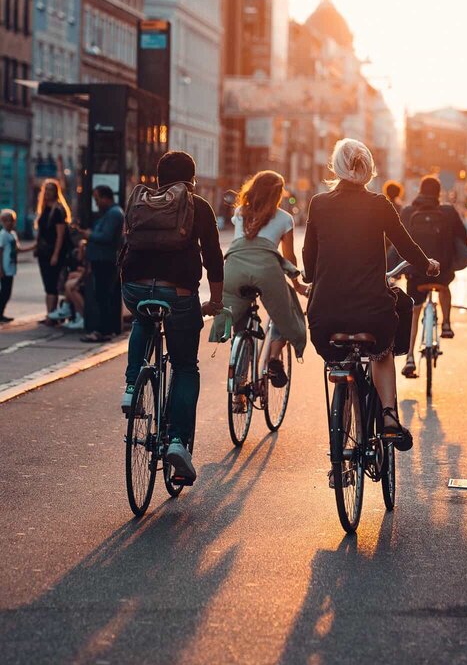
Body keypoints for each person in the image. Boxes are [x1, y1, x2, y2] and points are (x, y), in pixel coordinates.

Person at [303, 138, 439, 453]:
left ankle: (341, 432)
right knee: (383, 350)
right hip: (371, 312)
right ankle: (389, 417)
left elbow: (310, 254)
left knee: (337, 356)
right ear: (368, 168)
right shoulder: (378, 204)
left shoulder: (319, 204)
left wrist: (312, 277)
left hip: (326, 314)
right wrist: (427, 266)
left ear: (335, 167)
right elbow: (406, 246)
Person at [121, 151, 224, 484]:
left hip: (136, 288)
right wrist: (217, 300)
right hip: (178, 294)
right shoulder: (197, 205)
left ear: (157, 178)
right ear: (192, 179)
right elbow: (213, 257)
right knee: (184, 367)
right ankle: (177, 441)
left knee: (143, 320)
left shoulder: (140, 200)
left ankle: (131, 383)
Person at [224, 170, 308, 394]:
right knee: (286, 313)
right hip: (267, 272)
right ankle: (273, 358)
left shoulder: (241, 212)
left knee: (240, 325)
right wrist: (297, 286)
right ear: (278, 194)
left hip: (233, 270)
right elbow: (289, 258)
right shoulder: (284, 218)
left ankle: (238, 390)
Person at [399, 175, 467, 377]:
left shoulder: (408, 211)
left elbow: (398, 241)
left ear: (420, 190)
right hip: (441, 271)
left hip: (416, 273)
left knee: (414, 310)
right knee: (445, 287)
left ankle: (410, 355)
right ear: (438, 193)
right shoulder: (448, 212)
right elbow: (462, 237)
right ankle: (446, 324)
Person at [77, 185, 124, 342]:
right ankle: (104, 330)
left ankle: (103, 331)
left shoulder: (114, 214)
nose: (96, 203)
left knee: (103, 296)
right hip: (102, 260)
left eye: (97, 199)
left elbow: (106, 237)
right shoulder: (111, 213)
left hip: (105, 260)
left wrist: (90, 234)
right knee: (102, 295)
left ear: (106, 197)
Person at [34, 179, 71, 323]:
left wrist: (55, 255)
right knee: (47, 285)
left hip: (53, 253)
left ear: (56, 192)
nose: (48, 192)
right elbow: (41, 232)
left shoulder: (58, 210)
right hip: (43, 253)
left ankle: (52, 316)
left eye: (51, 190)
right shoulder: (44, 208)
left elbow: (60, 235)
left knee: (52, 284)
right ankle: (50, 314)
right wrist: (35, 247)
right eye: (46, 189)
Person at [0, 209, 32, 323]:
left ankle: (2, 313)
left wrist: (33, 247)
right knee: (4, 292)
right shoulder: (3, 235)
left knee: (7, 292)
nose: (9, 223)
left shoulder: (13, 234)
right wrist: (1, 269)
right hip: (5, 267)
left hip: (11, 267)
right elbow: (1, 251)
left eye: (11, 221)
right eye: (6, 220)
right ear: (2, 222)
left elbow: (17, 249)